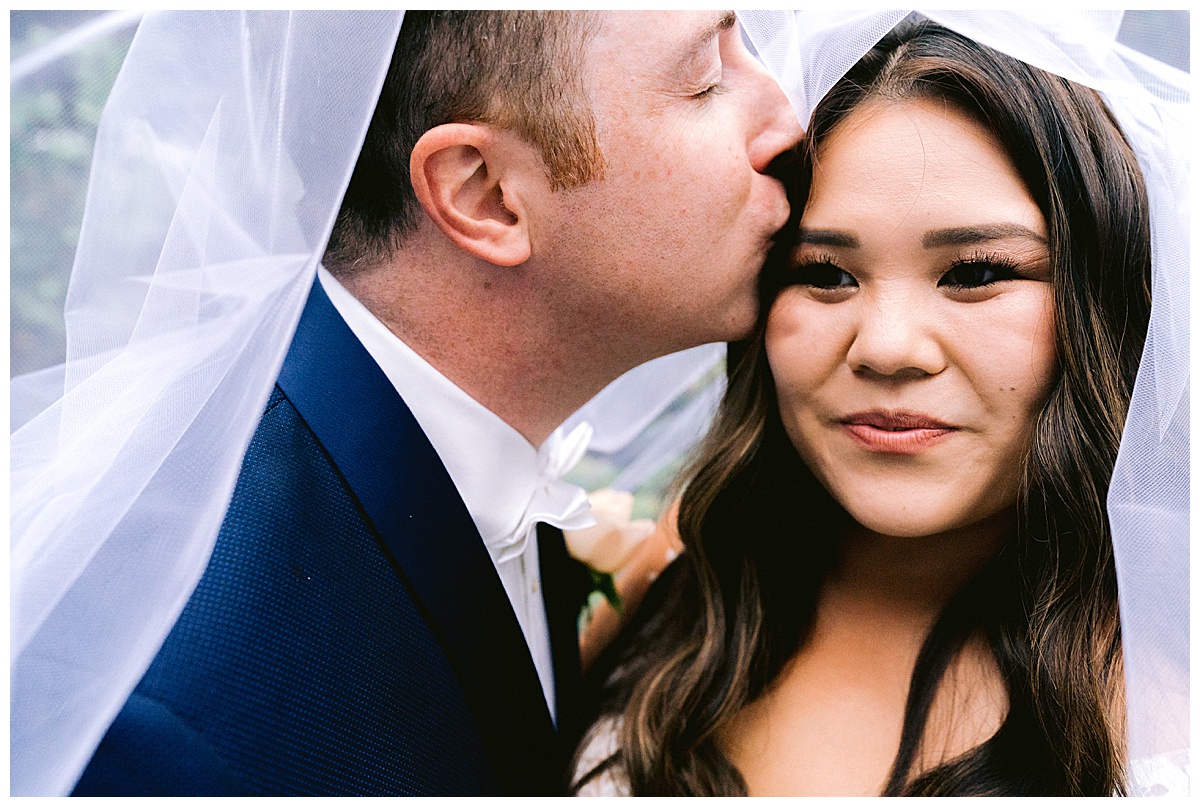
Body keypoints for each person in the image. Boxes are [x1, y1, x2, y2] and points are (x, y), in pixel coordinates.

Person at [10, 10, 801, 797]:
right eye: (704, 80)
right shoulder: (183, 723)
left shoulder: (455, 444)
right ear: (485, 194)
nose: (787, 122)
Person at [574, 14, 1188, 796]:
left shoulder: (1173, 708)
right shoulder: (670, 592)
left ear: (1105, 302)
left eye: (974, 272)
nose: (888, 348)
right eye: (825, 273)